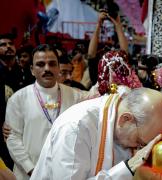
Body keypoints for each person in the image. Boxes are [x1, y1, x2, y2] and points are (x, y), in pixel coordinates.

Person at [30, 88, 162, 179]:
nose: (140, 150)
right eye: (140, 142)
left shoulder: (119, 118)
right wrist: (128, 168)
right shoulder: (76, 127)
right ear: (125, 119)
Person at [5, 44, 98, 180]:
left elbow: (98, 95)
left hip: (63, 172)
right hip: (28, 174)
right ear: (32, 69)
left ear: (58, 67)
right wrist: (32, 169)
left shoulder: (75, 96)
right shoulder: (18, 99)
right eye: (40, 64)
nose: (47, 69)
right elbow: (13, 138)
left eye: (52, 64)